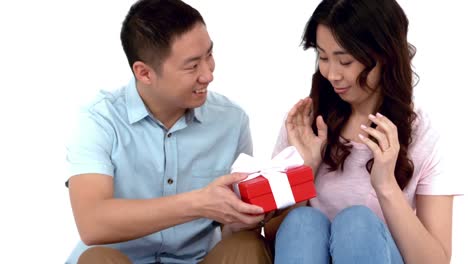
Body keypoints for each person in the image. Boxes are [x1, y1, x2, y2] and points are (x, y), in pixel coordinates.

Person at [65, 0, 273, 263]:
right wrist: (198, 203)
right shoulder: (99, 120)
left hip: (198, 259)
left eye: (209, 55)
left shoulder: (232, 120)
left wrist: (242, 217)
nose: (208, 74)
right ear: (144, 73)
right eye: (192, 65)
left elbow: (227, 230)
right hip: (123, 259)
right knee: (98, 260)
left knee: (247, 246)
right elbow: (92, 223)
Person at [267, 0, 462, 263]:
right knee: (302, 221)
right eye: (323, 57)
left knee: (356, 223)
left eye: (345, 61)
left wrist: (386, 186)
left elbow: (435, 260)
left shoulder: (424, 132)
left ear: (385, 56)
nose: (332, 74)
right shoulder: (306, 123)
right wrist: (306, 169)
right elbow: (272, 238)